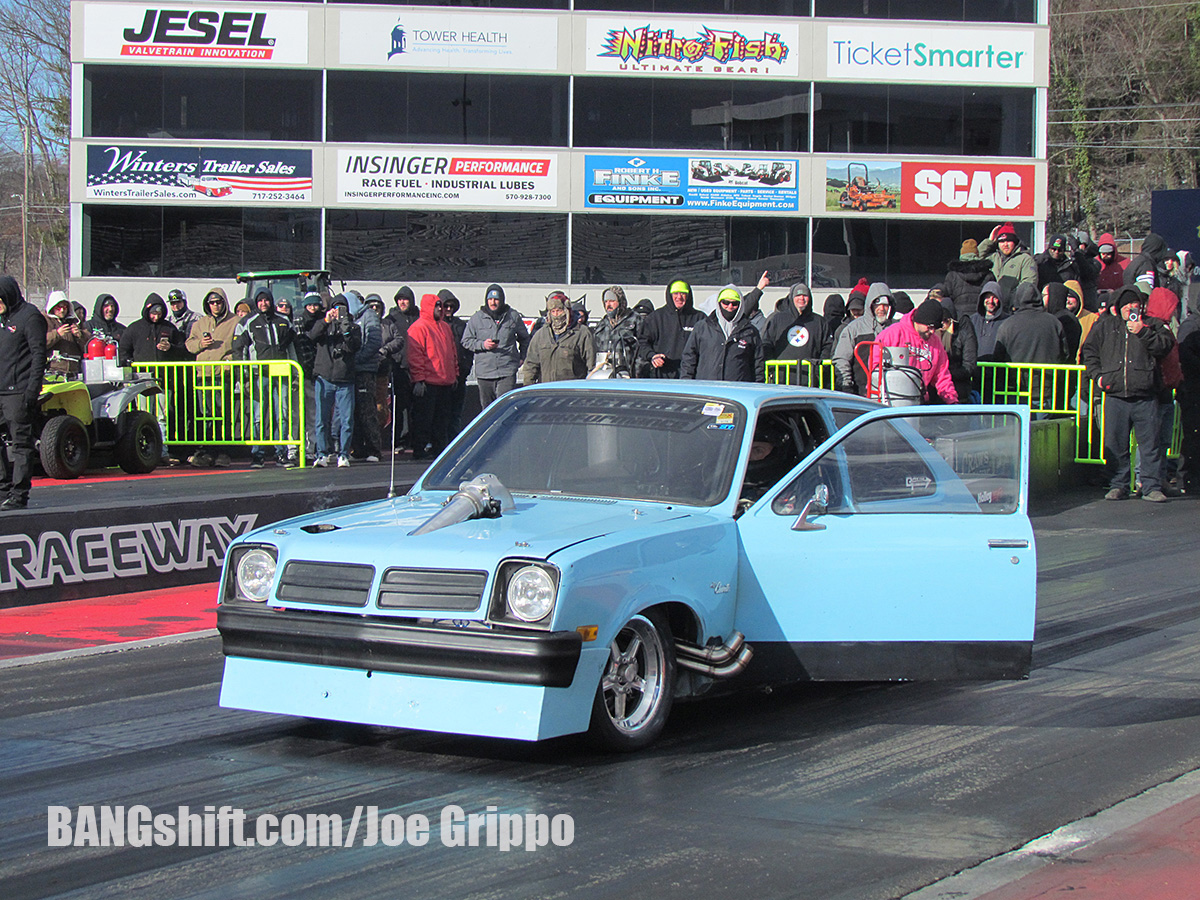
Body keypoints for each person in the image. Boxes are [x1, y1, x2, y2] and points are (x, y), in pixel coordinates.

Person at [1080, 286, 1175, 502]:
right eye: (1127, 305)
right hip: (1115, 395)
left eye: (1135, 305)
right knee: (1115, 444)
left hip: (1146, 395)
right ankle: (1118, 484)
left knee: (1150, 444)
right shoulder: (1105, 326)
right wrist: (1098, 377)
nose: (1131, 309)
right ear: (1118, 308)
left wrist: (1142, 331)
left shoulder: (1153, 324)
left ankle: (1151, 487)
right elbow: (1090, 352)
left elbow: (1165, 346)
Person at [232, 288, 295, 468]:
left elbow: (292, 349)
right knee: (258, 415)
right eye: (260, 301)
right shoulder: (247, 322)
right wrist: (243, 377)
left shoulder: (283, 321)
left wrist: (296, 373)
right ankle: (257, 454)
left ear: (271, 301)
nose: (263, 304)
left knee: (282, 414)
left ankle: (281, 453)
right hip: (258, 375)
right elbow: (239, 351)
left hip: (281, 374)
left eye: (266, 300)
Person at [0, 275, 47, 510]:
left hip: (18, 391)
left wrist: (32, 389)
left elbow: (39, 355)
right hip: (0, 389)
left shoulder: (30, 317)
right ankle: (2, 489)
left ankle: (19, 494)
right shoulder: (2, 319)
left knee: (20, 443)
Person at [185, 288, 242, 468]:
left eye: (218, 302)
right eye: (212, 303)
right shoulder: (200, 323)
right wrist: (200, 344)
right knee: (205, 415)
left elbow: (241, 347)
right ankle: (208, 452)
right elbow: (189, 344)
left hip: (223, 376)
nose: (215, 305)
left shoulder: (236, 321)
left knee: (223, 413)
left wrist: (228, 361)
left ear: (224, 302)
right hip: (203, 375)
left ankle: (223, 452)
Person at [309, 293, 361, 468]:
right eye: (335, 307)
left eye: (341, 308)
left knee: (346, 420)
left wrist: (345, 328)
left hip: (345, 379)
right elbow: (312, 336)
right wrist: (326, 321)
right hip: (325, 378)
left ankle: (343, 453)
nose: (338, 312)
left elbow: (354, 347)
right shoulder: (323, 325)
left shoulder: (353, 327)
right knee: (322, 419)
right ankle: (322, 453)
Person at [873, 297, 958, 404]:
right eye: (929, 327)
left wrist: (952, 400)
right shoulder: (892, 334)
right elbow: (875, 367)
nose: (932, 331)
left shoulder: (935, 342)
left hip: (919, 400)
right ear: (919, 320)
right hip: (890, 399)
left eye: (935, 328)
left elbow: (942, 375)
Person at [406, 292, 460, 460]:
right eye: (436, 306)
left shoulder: (445, 327)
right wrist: (419, 379)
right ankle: (419, 449)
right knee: (424, 419)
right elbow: (415, 356)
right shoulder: (418, 327)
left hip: (445, 381)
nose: (440, 309)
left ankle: (439, 449)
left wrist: (455, 374)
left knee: (442, 420)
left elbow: (452, 353)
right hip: (428, 382)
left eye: (440, 306)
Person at [462, 284, 529, 405]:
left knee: (504, 406)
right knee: (488, 410)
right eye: (490, 299)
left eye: (496, 299)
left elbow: (525, 338)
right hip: (485, 372)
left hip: (507, 370)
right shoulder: (477, 318)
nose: (493, 302)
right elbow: (466, 341)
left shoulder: (513, 316)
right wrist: (483, 345)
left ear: (502, 300)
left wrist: (522, 357)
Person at [680, 286, 764, 383]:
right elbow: (689, 358)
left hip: (738, 390)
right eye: (726, 303)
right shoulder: (702, 327)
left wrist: (757, 387)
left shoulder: (750, 331)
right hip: (707, 389)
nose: (730, 307)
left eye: (734, 303)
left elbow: (758, 365)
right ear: (719, 303)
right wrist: (686, 383)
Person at [832, 282, 895, 394]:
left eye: (885, 305)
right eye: (877, 304)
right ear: (870, 304)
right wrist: (846, 384)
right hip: (861, 391)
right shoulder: (854, 328)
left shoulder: (895, 329)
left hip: (891, 391)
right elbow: (842, 358)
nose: (882, 309)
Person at [521, 290, 595, 385]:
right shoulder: (541, 335)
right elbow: (530, 366)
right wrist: (529, 389)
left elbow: (592, 367)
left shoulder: (582, 333)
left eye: (559, 310)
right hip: (546, 392)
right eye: (553, 311)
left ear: (567, 310)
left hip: (573, 393)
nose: (556, 315)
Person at [638, 279, 705, 378]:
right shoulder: (656, 318)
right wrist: (652, 355)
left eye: (683, 293)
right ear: (670, 295)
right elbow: (642, 343)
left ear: (688, 295)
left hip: (691, 376)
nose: (679, 297)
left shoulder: (700, 319)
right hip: (662, 376)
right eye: (675, 293)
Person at [763, 282, 827, 385]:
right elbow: (767, 344)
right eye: (798, 295)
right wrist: (772, 368)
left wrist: (819, 368)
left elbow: (827, 346)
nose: (801, 298)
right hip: (782, 379)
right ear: (792, 298)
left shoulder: (819, 322)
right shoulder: (777, 319)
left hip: (810, 381)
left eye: (805, 295)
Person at [347, 290, 383, 462]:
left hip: (365, 370)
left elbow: (374, 341)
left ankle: (374, 449)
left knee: (367, 410)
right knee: (352, 411)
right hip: (350, 371)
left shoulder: (368, 315)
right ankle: (358, 448)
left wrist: (357, 359)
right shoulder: (347, 318)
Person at [387, 286, 420, 449]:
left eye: (405, 299)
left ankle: (416, 440)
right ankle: (399, 440)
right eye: (399, 299)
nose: (402, 302)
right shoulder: (391, 318)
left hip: (418, 368)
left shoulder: (419, 317)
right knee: (400, 406)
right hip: (399, 367)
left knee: (418, 405)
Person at [293, 292, 324, 460]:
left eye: (315, 304)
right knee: (295, 414)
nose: (313, 308)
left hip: (316, 373)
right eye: (310, 305)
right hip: (300, 373)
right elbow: (301, 345)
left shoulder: (324, 321)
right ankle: (294, 448)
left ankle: (310, 448)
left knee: (313, 413)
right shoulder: (298, 321)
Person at [438, 290, 473, 436]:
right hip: (442, 377)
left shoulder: (461, 325)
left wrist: (465, 368)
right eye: (446, 306)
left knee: (456, 413)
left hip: (460, 376)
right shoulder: (436, 325)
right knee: (441, 413)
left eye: (451, 307)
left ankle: (453, 440)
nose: (448, 309)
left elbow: (468, 348)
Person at [977, 222, 1037, 307]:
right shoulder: (993, 258)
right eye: (1001, 241)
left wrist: (1011, 302)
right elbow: (973, 261)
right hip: (992, 307)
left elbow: (1029, 285)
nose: (1005, 244)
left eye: (1009, 241)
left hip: (1012, 309)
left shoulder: (1025, 259)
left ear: (1015, 242)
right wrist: (989, 241)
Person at [590, 285, 642, 377]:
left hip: (628, 376)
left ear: (621, 302)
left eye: (612, 301)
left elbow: (643, 348)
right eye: (606, 302)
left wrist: (636, 373)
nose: (608, 305)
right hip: (604, 376)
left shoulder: (635, 319)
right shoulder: (602, 324)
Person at [936, 292, 978, 404]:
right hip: (937, 391)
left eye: (946, 321)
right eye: (941, 321)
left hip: (959, 391)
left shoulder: (964, 333)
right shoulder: (933, 334)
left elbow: (969, 366)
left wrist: (946, 374)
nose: (943, 325)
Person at [118, 293, 183, 363]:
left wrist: (171, 348)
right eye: (154, 314)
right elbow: (123, 350)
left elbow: (182, 349)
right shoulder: (134, 328)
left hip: (165, 372)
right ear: (148, 311)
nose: (156, 317)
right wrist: (129, 364)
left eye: (159, 314)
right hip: (141, 371)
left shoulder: (169, 327)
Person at [944, 239, 996, 321]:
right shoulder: (988, 274)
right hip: (982, 319)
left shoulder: (952, 275)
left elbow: (947, 299)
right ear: (977, 254)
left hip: (960, 319)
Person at [44, 290, 92, 362]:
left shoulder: (74, 322)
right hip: (53, 367)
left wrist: (80, 336)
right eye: (58, 307)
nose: (62, 310)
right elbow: (39, 343)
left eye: (65, 307)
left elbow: (88, 347)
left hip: (73, 367)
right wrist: (57, 334)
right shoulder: (45, 321)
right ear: (52, 306)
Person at [1043, 283, 1083, 362]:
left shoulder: (1066, 319)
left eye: (1044, 295)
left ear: (1053, 295)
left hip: (1062, 369)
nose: (1042, 298)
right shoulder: (1054, 316)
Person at [166, 288, 200, 354]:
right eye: (173, 303)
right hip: (173, 357)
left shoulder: (197, 318)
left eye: (178, 302)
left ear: (184, 302)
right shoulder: (167, 321)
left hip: (191, 356)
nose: (176, 306)